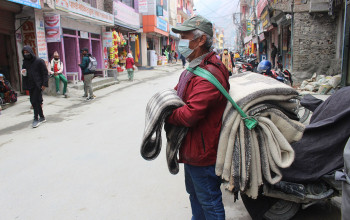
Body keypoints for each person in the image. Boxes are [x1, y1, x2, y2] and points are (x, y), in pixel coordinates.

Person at [168, 15, 230, 220]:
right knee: (196, 197)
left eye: (184, 37)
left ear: (201, 40)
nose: (180, 43)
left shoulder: (208, 73)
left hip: (203, 153)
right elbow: (177, 94)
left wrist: (166, 114)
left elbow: (189, 114)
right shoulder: (193, 69)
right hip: (193, 149)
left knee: (209, 202)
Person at [21, 45, 48, 128]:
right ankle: (42, 117)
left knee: (34, 101)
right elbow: (24, 73)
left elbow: (45, 73)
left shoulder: (39, 61)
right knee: (34, 101)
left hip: (38, 84)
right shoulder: (25, 62)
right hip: (30, 84)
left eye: (27, 52)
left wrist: (44, 84)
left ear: (31, 52)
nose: (26, 54)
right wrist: (23, 73)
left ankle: (36, 118)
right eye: (24, 53)